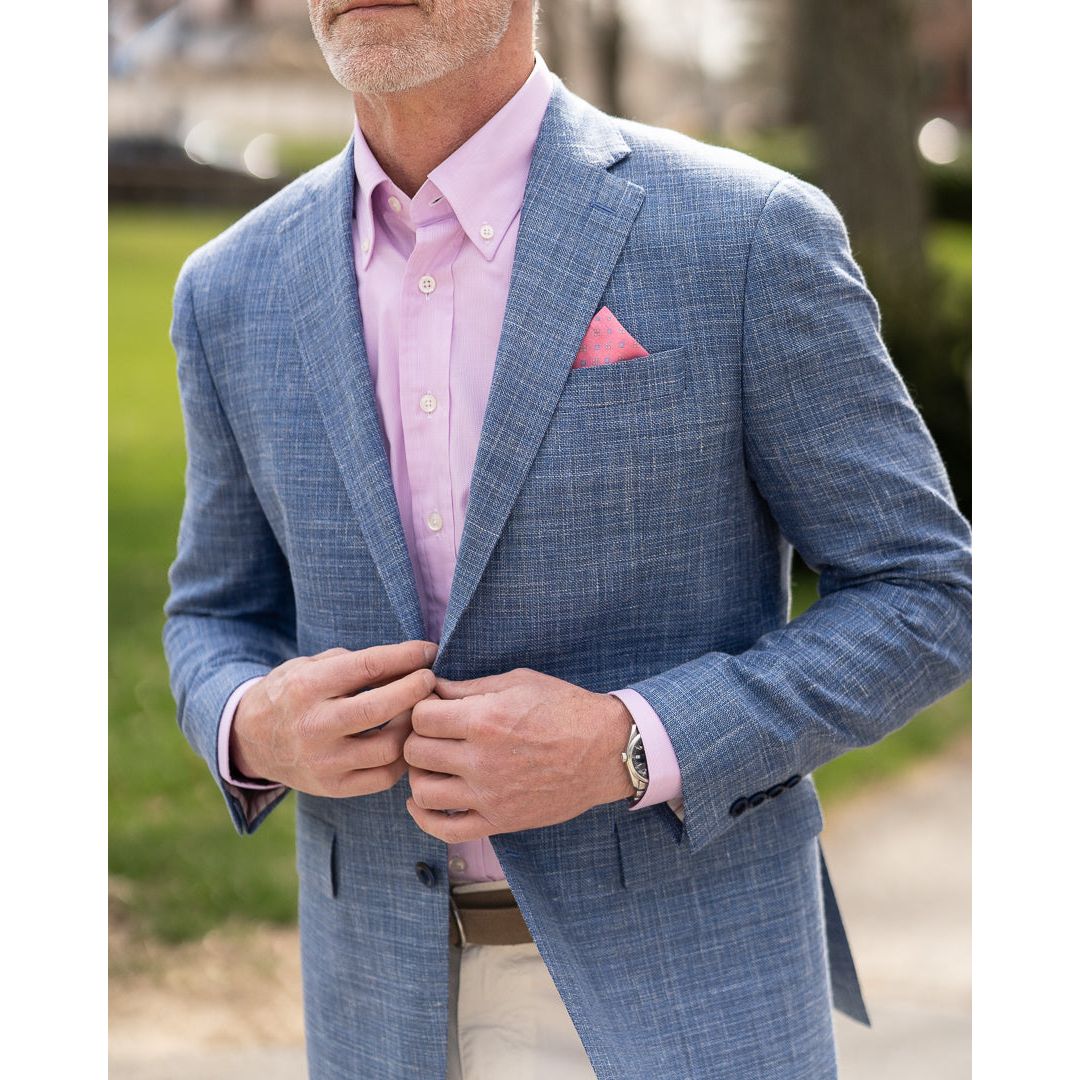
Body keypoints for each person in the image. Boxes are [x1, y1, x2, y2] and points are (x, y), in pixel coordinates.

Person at [161, 1, 972, 1077]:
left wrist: (629, 744)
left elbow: (926, 593)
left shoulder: (744, 234)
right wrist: (251, 728)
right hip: (380, 1015)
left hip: (688, 1001)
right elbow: (214, 612)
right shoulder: (230, 289)